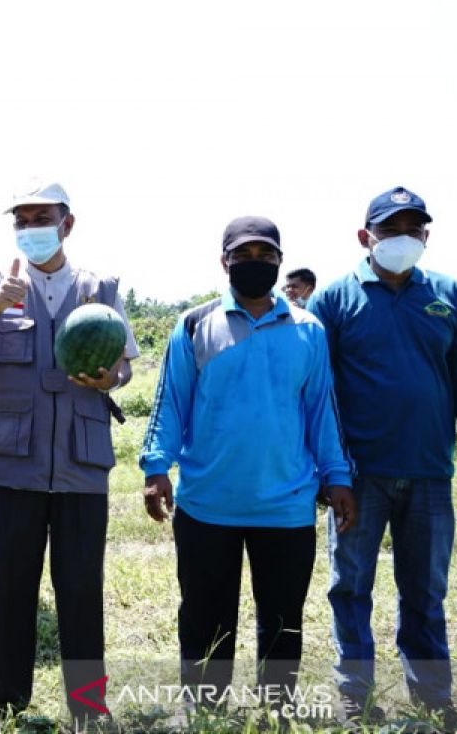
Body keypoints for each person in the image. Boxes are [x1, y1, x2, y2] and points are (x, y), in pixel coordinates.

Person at [139, 215, 355, 714]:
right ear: (224, 262)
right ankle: (204, 707)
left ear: (280, 262)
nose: (254, 264)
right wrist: (156, 469)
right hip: (208, 504)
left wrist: (337, 476)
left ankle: (277, 710)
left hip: (286, 505)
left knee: (282, 619)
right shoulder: (196, 324)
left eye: (265, 256)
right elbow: (170, 402)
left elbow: (323, 409)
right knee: (204, 616)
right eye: (243, 256)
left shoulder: (308, 330)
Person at [0, 179, 138, 725]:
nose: (31, 228)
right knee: (11, 588)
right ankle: (6, 702)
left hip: (81, 462)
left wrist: (112, 377)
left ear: (67, 224)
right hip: (12, 462)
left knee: (82, 590)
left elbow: (125, 363)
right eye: (22, 220)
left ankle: (87, 707)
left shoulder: (98, 286)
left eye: (42, 218)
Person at [307, 187, 457, 726]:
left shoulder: (453, 297)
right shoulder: (333, 301)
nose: (402, 239)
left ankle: (432, 696)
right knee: (350, 585)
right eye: (390, 229)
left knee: (426, 589)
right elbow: (315, 391)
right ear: (366, 237)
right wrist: (326, 469)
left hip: (429, 470)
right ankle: (354, 694)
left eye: (413, 229)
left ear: (426, 236)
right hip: (356, 475)